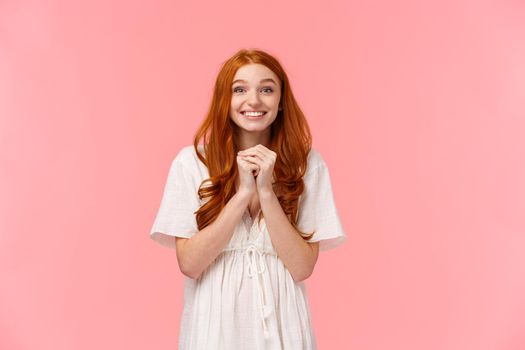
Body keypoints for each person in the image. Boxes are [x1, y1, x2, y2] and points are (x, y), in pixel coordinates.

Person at [149, 48, 347, 350]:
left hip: (284, 328)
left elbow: (302, 267)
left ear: (280, 101)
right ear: (224, 100)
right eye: (239, 89)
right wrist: (243, 194)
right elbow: (189, 263)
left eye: (266, 89)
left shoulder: (307, 164)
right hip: (214, 330)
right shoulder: (191, 163)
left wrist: (267, 192)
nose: (253, 100)